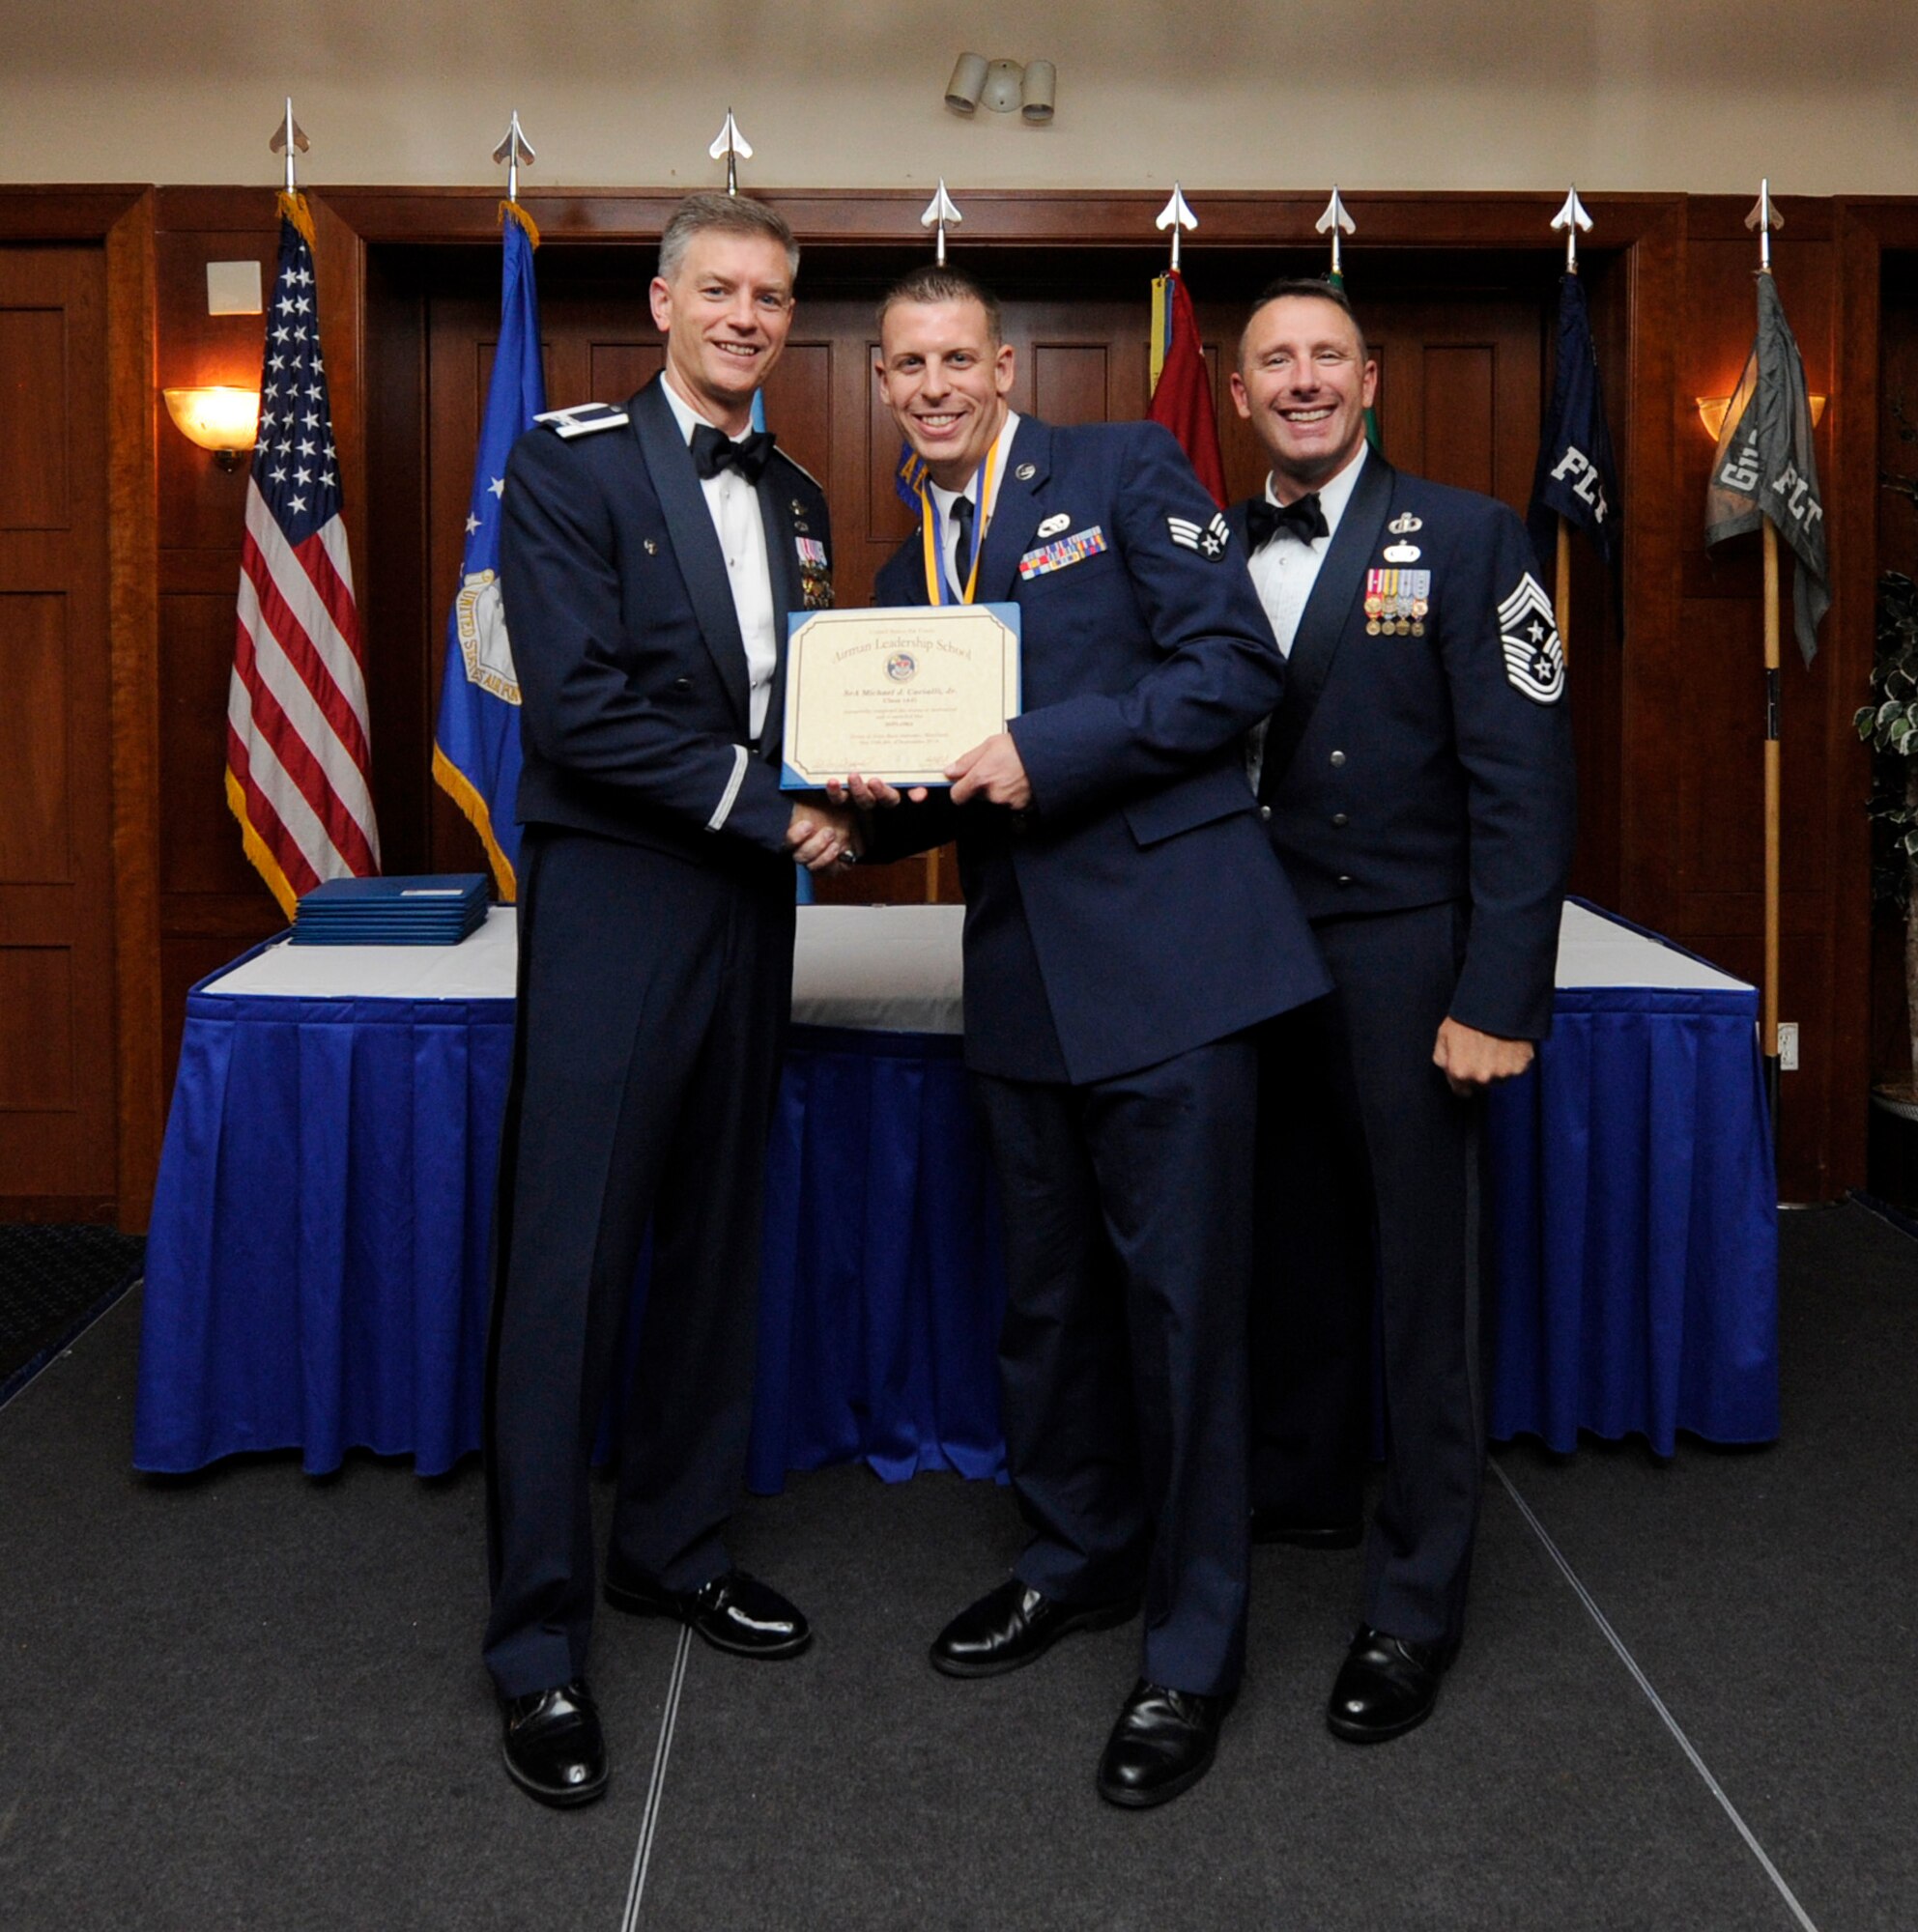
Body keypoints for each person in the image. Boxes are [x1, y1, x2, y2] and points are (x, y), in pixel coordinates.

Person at [843, 265, 1329, 1807]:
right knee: (1047, 1305)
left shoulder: (1118, 468)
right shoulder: (898, 564)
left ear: (1003, 370)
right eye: (905, 366)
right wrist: (843, 810)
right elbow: (927, 772)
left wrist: (1044, 749)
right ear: (879, 385)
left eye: (956, 360)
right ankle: (1075, 1557)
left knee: (1182, 1319)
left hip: (1173, 967)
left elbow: (1232, 669)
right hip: (1021, 980)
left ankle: (1191, 1648)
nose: (932, 387)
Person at [484, 192, 859, 1808]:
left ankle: (673, 1548)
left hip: (747, 908)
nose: (744, 316)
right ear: (660, 302)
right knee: (569, 1265)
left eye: (769, 296)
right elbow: (574, 712)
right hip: (620, 899)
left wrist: (855, 792)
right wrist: (775, 806)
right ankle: (534, 1642)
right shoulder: (566, 463)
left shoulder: (800, 493)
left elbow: (816, 699)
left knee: (714, 1235)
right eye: (718, 289)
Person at [1225, 279, 1576, 1743]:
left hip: (1403, 959)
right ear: (1239, 393)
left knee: (1425, 1281)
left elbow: (1524, 781)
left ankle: (1417, 1596)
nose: (1302, 380)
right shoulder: (1204, 545)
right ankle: (1302, 1487)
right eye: (1275, 361)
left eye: (1327, 356)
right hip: (1247, 957)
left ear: (1369, 380)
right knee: (1288, 1242)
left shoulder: (1471, 536)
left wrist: (1497, 991)